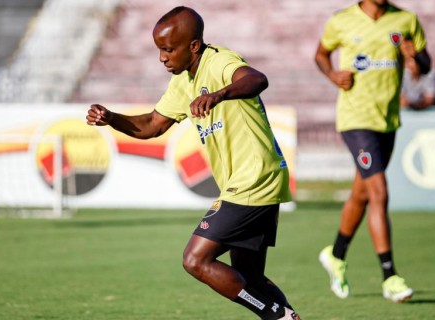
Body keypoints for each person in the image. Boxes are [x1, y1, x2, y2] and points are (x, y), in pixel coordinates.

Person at [86, 6, 300, 320]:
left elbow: (256, 79)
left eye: (168, 49)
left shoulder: (218, 61)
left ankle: (275, 314)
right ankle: (286, 316)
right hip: (255, 178)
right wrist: (111, 119)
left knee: (195, 260)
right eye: (159, 50)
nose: (162, 58)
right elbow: (152, 125)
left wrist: (218, 95)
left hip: (253, 178)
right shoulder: (183, 81)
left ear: (194, 46)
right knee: (250, 278)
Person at [314, 0, 431, 303]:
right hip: (355, 120)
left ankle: (336, 254)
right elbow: (321, 54)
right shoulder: (342, 21)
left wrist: (415, 57)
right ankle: (390, 276)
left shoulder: (405, 20)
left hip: (387, 120)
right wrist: (332, 75)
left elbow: (425, 63)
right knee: (379, 191)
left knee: (363, 192)